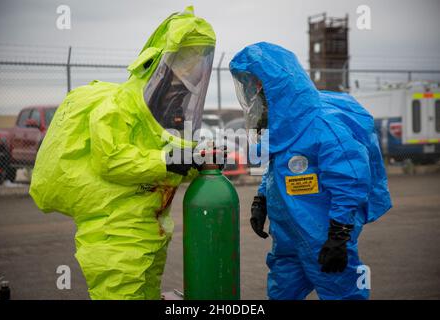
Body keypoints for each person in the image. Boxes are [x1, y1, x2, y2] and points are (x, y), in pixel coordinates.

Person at [29, 6, 216, 299]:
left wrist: (202, 162)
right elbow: (112, 160)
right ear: (160, 60)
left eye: (196, 60)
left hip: (150, 231)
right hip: (113, 233)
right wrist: (169, 160)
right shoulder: (116, 107)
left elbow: (175, 161)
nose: (190, 71)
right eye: (184, 59)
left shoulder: (166, 113)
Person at [230, 42, 392, 300]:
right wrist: (261, 200)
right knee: (282, 293)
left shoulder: (324, 127)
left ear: (277, 85)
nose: (253, 92)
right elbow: (276, 169)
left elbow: (350, 182)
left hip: (323, 236)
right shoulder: (281, 125)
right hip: (287, 238)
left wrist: (339, 235)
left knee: (342, 293)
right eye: (250, 84)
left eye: (258, 83)